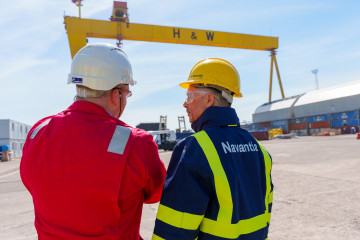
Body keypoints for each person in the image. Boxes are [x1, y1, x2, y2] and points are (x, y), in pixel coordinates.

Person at [20, 43, 166, 240]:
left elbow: (33, 184)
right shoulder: (136, 142)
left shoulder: (37, 133)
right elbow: (156, 193)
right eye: (127, 93)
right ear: (117, 95)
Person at [153, 58, 273, 240]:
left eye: (190, 97)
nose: (185, 104)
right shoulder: (258, 149)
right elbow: (265, 210)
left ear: (209, 99)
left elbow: (175, 228)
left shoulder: (194, 149)